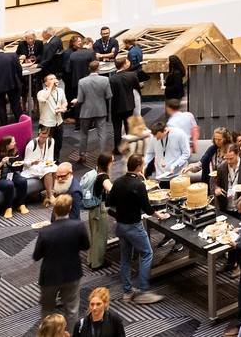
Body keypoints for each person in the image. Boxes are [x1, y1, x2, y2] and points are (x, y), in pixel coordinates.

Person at [108, 154, 163, 304]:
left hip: (120, 226)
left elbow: (109, 202)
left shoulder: (118, 181)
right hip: (134, 226)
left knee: (125, 258)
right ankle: (144, 291)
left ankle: (127, 292)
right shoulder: (139, 185)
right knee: (147, 254)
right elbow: (147, 208)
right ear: (139, 167)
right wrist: (159, 215)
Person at [35, 194, 89, 332]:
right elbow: (86, 246)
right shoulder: (78, 226)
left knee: (48, 310)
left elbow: (36, 256)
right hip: (72, 273)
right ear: (70, 208)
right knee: (72, 310)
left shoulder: (45, 231)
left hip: (50, 277)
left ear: (54, 210)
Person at [73, 61, 112, 160]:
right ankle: (102, 156)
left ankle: (82, 155)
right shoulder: (105, 79)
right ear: (98, 68)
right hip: (101, 110)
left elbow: (80, 99)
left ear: (89, 69)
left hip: (86, 111)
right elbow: (109, 95)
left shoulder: (82, 81)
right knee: (102, 134)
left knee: (84, 134)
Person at [0, 43, 24, 126]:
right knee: (16, 105)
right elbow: (19, 70)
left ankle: (4, 125)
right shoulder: (13, 56)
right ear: (3, 48)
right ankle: (20, 123)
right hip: (13, 84)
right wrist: (20, 81)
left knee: (1, 107)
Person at [107, 56, 140, 152]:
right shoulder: (132, 75)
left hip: (116, 106)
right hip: (129, 105)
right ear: (124, 65)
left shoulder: (112, 79)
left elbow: (110, 93)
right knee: (128, 126)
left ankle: (117, 148)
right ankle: (129, 146)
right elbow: (137, 87)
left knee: (117, 128)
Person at [0, 135, 28, 218]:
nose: (15, 143)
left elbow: (18, 166)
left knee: (23, 181)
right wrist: (2, 163)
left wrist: (16, 164)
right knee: (9, 184)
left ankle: (21, 204)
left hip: (11, 174)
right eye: (13, 142)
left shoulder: (14, 151)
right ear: (6, 144)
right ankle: (8, 207)